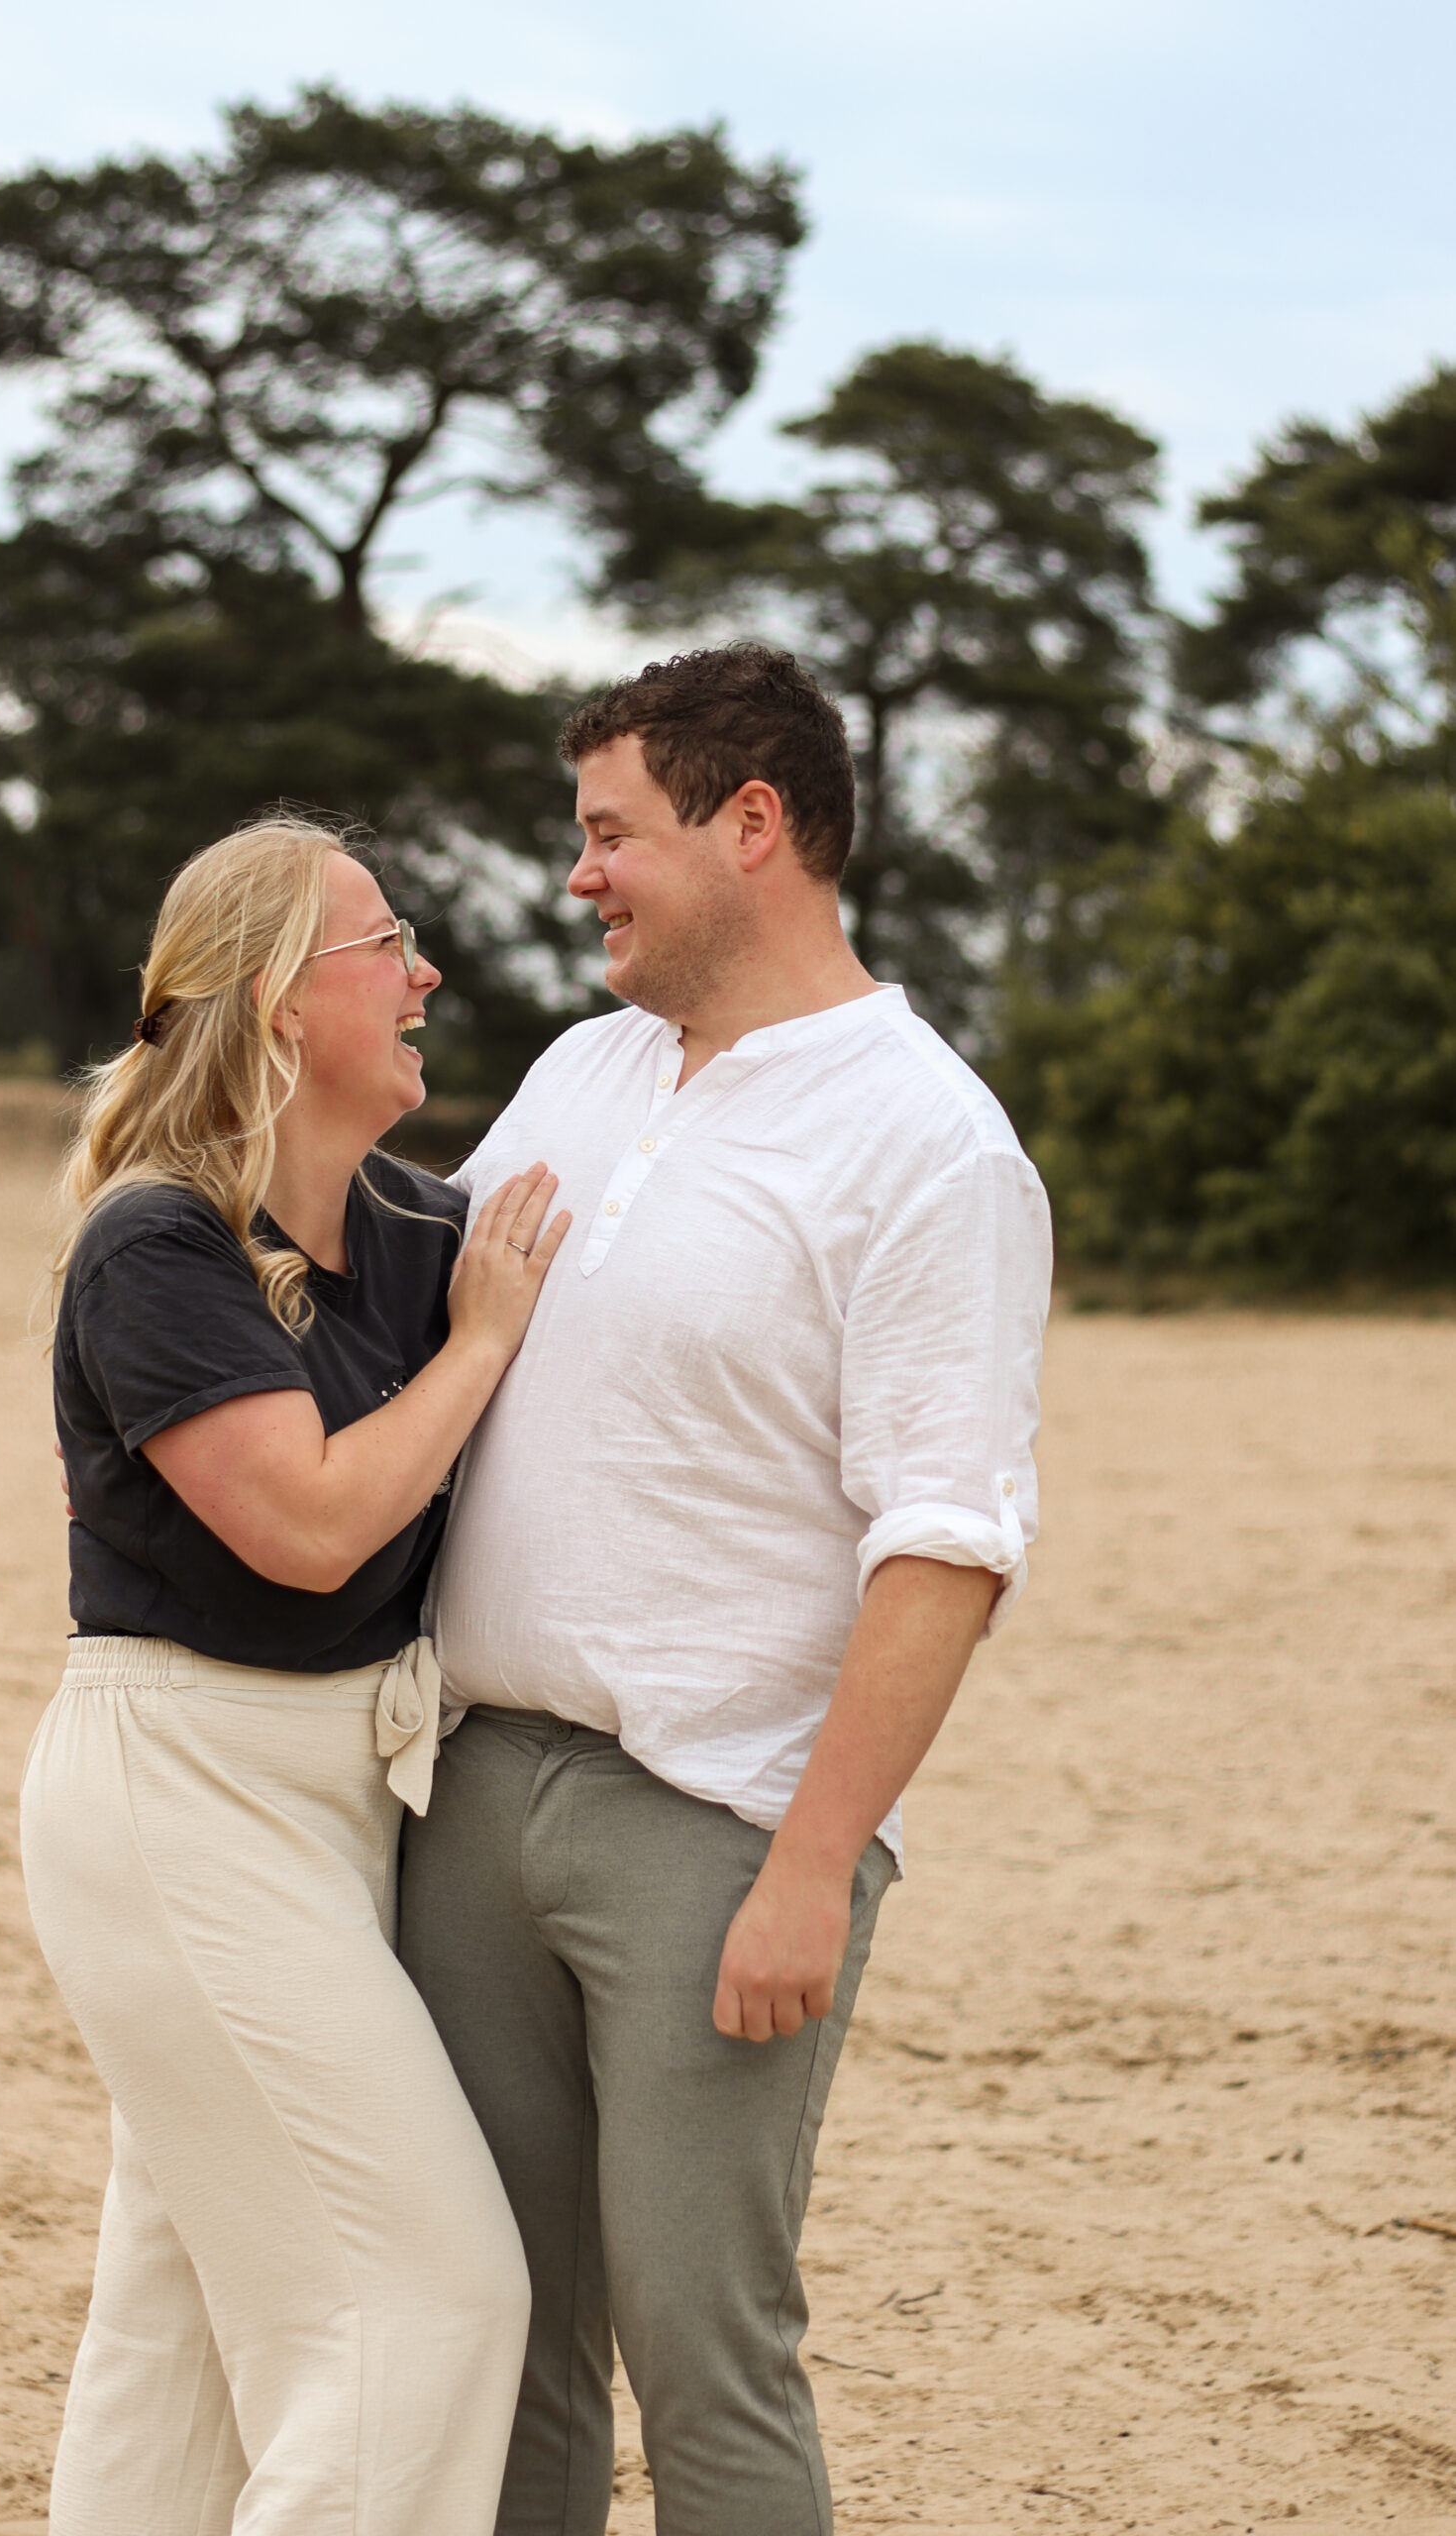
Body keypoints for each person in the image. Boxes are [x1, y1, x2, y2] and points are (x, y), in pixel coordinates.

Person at [399, 644, 1053, 2536]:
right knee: (500, 2342)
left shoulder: (929, 1144)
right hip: (472, 1796)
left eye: (612, 833)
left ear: (752, 824)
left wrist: (807, 1866)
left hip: (716, 1833)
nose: (579, 875)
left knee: (706, 2354)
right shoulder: (580, 1071)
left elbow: (946, 1540)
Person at [22, 814, 570, 2536]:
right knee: (433, 2305)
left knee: (175, 2332)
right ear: (275, 1002)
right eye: (385, 944)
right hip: (182, 1796)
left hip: (338, 1798)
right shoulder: (158, 1243)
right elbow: (312, 1532)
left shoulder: (417, 1229)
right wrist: (485, 1347)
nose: (426, 974)